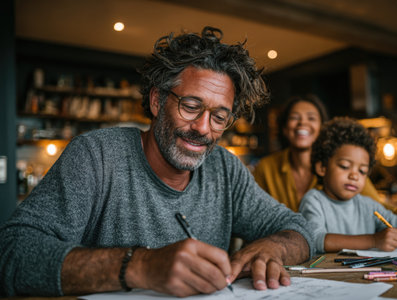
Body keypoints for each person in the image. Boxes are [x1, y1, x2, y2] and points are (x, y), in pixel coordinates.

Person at [0, 27, 314, 297]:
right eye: (191, 106)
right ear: (156, 101)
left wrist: (274, 248)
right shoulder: (96, 155)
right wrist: (139, 265)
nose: (203, 129)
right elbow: (13, 252)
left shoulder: (225, 169)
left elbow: (300, 229)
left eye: (219, 117)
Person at [299, 117, 397, 253]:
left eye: (362, 171)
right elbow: (316, 239)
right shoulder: (314, 200)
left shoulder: (368, 205)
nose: (354, 175)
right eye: (344, 166)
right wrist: (374, 240)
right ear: (322, 168)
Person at [253, 95, 380, 212]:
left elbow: (380, 208)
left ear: (321, 128)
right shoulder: (265, 168)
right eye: (294, 118)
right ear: (285, 128)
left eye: (311, 118)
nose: (302, 123)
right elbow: (252, 214)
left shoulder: (341, 165)